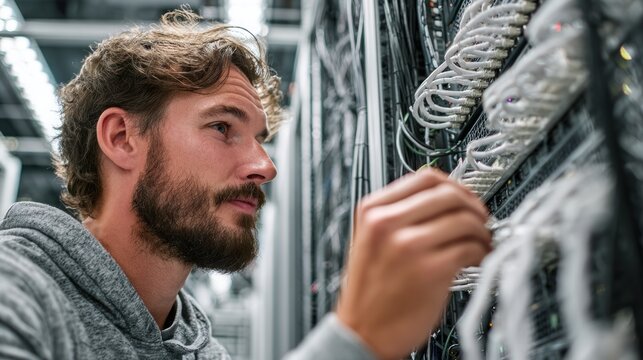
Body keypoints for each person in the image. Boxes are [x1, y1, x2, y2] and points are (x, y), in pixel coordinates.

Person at [0, 9, 491, 360]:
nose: (264, 166)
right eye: (222, 128)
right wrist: (355, 339)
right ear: (122, 138)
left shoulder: (200, 348)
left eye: (258, 138)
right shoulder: (18, 292)